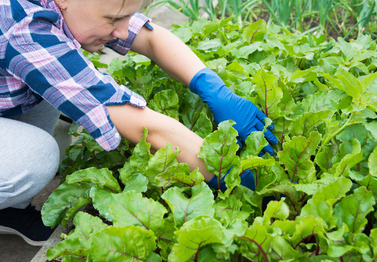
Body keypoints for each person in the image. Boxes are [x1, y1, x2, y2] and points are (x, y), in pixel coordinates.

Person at [0, 0, 277, 246]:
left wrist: (213, 88)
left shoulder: (75, 7)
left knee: (56, 79)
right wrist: (228, 170)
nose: (122, 31)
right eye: (112, 19)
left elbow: (149, 37)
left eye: (125, 17)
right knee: (37, 157)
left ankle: (8, 209)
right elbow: (137, 122)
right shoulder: (23, 28)